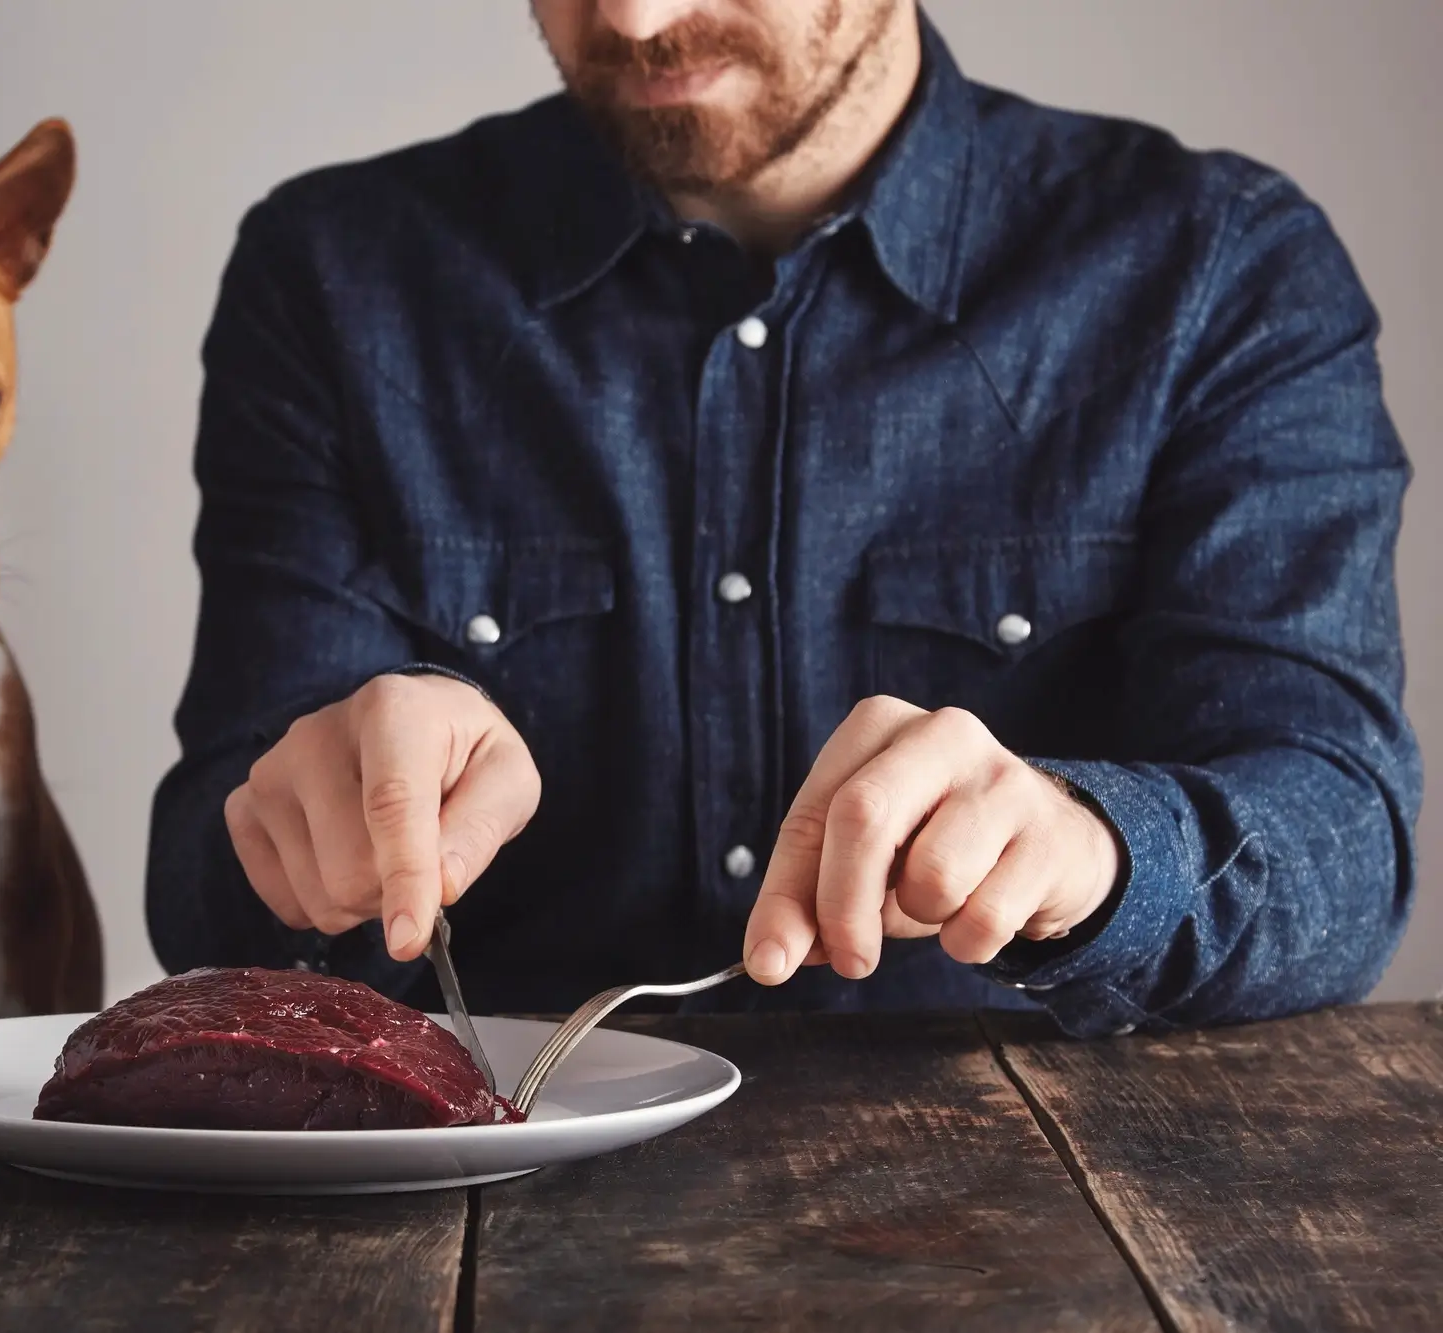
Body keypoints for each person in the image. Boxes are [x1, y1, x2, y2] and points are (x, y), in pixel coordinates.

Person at [146, 0, 1421, 1035]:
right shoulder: (332, 274)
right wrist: (318, 826)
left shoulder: (1217, 269)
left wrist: (1089, 851)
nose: (634, 16)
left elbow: (1338, 840)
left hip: (1036, 1208)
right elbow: (209, 897)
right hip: (484, 1221)